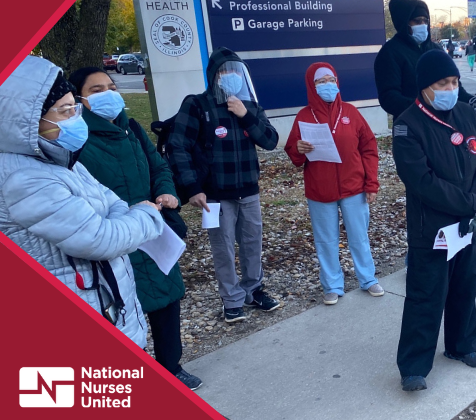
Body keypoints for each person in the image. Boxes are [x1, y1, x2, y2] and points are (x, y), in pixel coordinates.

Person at [0, 56, 159, 348]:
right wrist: (146, 216)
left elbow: (114, 202)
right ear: (25, 121)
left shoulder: (58, 159)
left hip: (105, 302)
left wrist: (120, 218)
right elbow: (100, 239)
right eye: (64, 111)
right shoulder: (24, 179)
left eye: (74, 107)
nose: (75, 117)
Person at [68, 67, 202, 390]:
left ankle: (172, 366)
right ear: (80, 99)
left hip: (153, 229)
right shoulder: (77, 140)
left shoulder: (133, 129)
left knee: (168, 296)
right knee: (125, 307)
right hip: (113, 235)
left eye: (112, 86)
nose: (109, 94)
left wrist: (165, 190)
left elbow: (159, 167)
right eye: (97, 89)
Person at [392, 49, 476, 392]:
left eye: (454, 81)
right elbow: (421, 181)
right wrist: (469, 202)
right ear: (424, 87)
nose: (450, 88)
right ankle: (414, 366)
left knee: (465, 286)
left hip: (466, 225)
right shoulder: (408, 124)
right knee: (426, 294)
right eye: (442, 83)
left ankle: (462, 344)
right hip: (431, 226)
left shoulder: (465, 113)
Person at [168, 47, 281, 323]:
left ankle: (253, 290)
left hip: (249, 191)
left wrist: (245, 115)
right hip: (214, 195)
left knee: (253, 243)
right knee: (223, 247)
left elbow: (270, 140)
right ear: (214, 76)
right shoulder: (196, 104)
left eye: (235, 71)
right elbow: (178, 146)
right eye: (225, 71)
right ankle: (231, 300)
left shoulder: (249, 105)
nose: (231, 76)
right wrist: (193, 187)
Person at [284, 63, 383, 305]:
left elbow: (369, 148)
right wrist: (298, 149)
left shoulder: (350, 112)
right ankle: (332, 285)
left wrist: (371, 183)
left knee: (359, 236)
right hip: (320, 190)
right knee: (326, 239)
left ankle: (368, 279)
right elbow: (294, 155)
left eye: (331, 79)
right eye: (321, 81)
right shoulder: (304, 116)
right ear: (312, 86)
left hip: (354, 187)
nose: (328, 85)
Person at [373, 0, 476, 121]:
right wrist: (423, 108)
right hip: (412, 125)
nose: (422, 25)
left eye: (425, 21)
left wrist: (472, 102)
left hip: (444, 122)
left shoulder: (436, 49)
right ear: (405, 23)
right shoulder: (390, 53)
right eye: (417, 21)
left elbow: (455, 87)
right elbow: (389, 97)